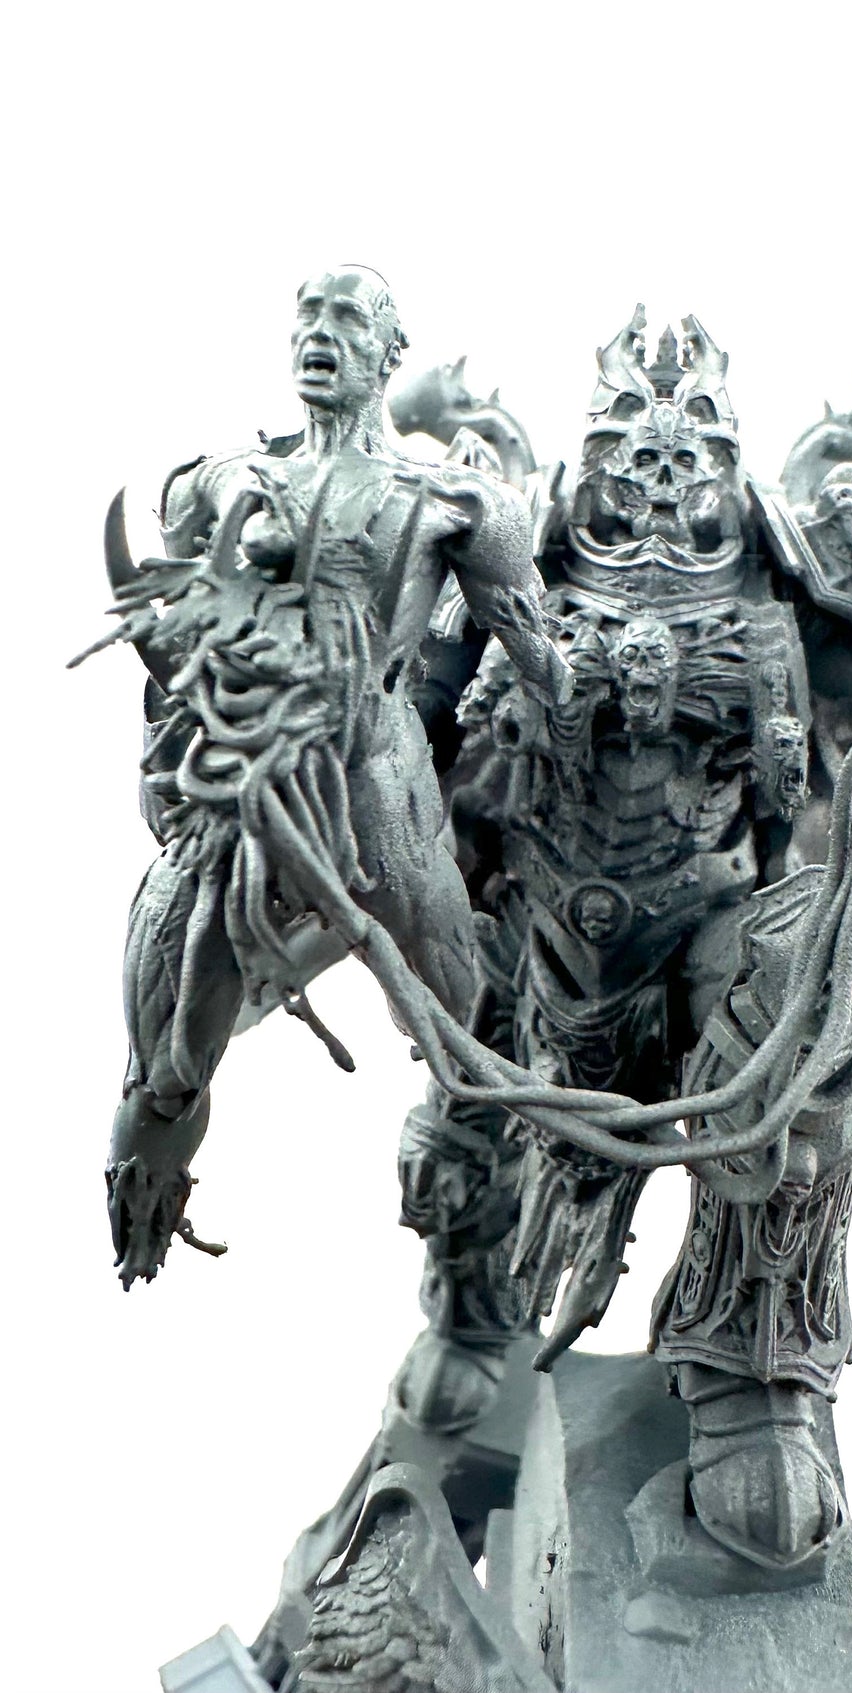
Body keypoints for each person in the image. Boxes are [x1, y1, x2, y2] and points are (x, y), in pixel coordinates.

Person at [103, 267, 572, 1289]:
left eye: (347, 319)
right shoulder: (214, 482)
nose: (318, 335)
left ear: (388, 353)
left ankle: (518, 1238)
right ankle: (141, 1208)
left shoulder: (458, 503)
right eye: (306, 317)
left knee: (467, 1032)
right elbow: (179, 626)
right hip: (246, 794)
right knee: (168, 1056)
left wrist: (563, 671)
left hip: (381, 795)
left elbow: (545, 666)